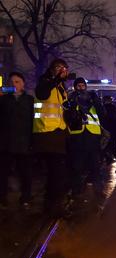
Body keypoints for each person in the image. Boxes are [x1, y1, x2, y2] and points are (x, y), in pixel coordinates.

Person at [33, 58, 70, 216]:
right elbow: (41, 94)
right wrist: (55, 79)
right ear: (51, 69)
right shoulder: (44, 82)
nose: (62, 71)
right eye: (58, 68)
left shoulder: (61, 87)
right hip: (46, 133)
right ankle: (53, 207)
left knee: (57, 172)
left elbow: (61, 110)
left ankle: (51, 205)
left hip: (59, 134)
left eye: (64, 68)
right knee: (55, 172)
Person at [0, 72, 34, 208]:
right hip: (5, 143)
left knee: (25, 172)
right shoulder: (3, 100)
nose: (14, 84)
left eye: (17, 81)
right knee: (2, 172)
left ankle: (26, 196)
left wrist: (32, 141)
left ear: (23, 83)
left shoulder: (30, 100)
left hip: (24, 143)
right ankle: (2, 198)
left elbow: (33, 121)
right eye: (12, 82)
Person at [66, 77, 104, 197]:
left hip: (92, 135)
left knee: (95, 165)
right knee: (77, 165)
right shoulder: (71, 98)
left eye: (83, 85)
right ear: (75, 87)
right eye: (78, 86)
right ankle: (76, 190)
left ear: (86, 87)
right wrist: (72, 103)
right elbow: (67, 116)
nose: (81, 88)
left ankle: (98, 189)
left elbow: (102, 113)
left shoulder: (92, 98)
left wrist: (95, 100)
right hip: (78, 136)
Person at [101, 95, 116, 164]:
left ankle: (107, 158)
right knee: (113, 145)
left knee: (105, 145)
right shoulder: (115, 108)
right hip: (114, 130)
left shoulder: (102, 108)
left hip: (105, 130)